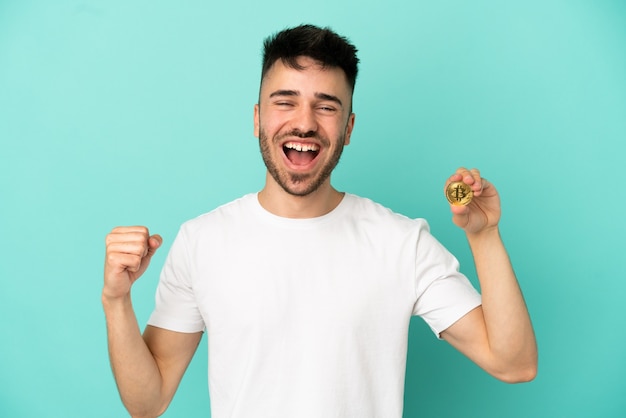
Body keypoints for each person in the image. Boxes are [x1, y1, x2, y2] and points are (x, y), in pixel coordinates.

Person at [102, 24, 537, 418]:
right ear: (257, 119)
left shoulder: (401, 242)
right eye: (285, 102)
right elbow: (147, 401)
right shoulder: (202, 240)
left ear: (348, 128)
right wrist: (117, 301)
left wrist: (485, 236)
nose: (305, 123)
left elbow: (514, 363)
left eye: (325, 107)